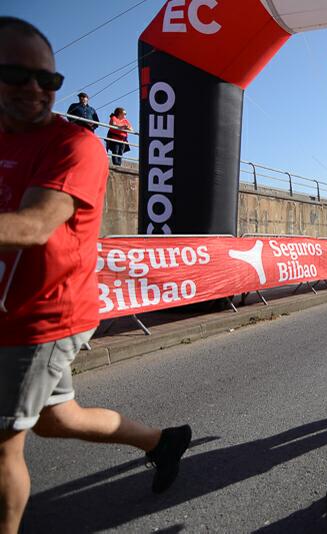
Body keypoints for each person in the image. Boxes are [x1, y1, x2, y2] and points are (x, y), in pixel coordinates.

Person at [0, 18, 192, 533]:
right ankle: (162, 441)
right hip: (11, 313)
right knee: (58, 419)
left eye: (48, 81)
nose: (35, 90)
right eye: (17, 75)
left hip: (45, 317)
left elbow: (36, 224)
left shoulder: (77, 145)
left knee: (2, 447)